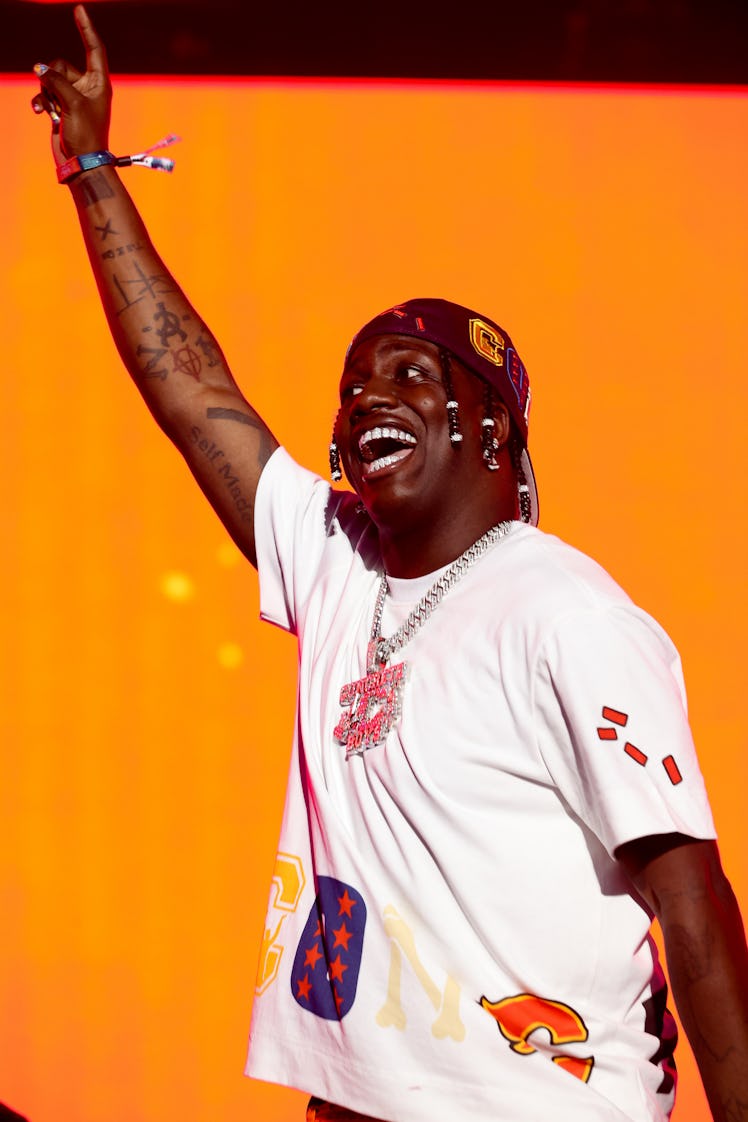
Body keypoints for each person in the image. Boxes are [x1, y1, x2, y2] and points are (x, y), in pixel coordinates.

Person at [32, 8, 748, 1122]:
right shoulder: (335, 563)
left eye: (413, 375)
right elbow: (189, 388)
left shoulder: (565, 614)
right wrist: (89, 165)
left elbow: (692, 907)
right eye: (355, 381)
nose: (370, 394)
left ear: (492, 429)